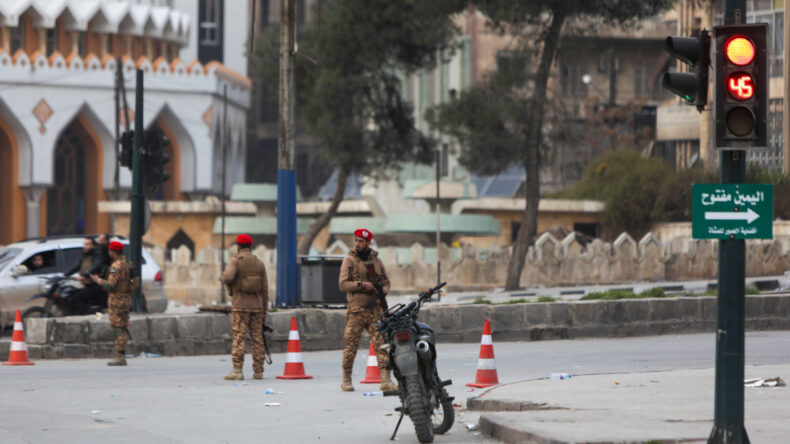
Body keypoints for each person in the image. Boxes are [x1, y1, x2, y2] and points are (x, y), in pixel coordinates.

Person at [338, 228, 397, 392]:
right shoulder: (349, 260)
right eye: (356, 240)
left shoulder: (377, 262)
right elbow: (342, 284)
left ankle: (385, 380)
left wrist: (382, 293)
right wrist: (362, 285)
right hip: (356, 310)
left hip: (375, 311)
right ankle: (346, 379)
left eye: (361, 241)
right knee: (351, 345)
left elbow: (386, 283)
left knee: (382, 344)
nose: (358, 244)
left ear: (368, 243)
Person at [221, 234, 269, 380]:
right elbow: (265, 289)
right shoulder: (259, 263)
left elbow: (227, 277)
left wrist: (227, 278)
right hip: (257, 307)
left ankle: (237, 370)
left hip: (240, 306)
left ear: (238, 246)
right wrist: (265, 309)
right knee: (257, 339)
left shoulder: (235, 261)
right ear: (251, 246)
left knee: (239, 338)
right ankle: (258, 371)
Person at [91, 241, 133, 366]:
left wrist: (98, 280)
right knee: (123, 326)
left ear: (113, 252)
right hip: (126, 299)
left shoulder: (115, 267)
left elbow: (110, 285)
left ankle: (119, 356)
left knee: (117, 328)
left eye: (110, 251)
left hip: (116, 300)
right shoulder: (128, 264)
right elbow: (134, 283)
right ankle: (121, 354)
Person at [66, 236, 108, 312]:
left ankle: (91, 315)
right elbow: (77, 266)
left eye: (87, 244)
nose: (85, 246)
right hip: (89, 285)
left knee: (78, 298)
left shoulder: (98, 254)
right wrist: (65, 274)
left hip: (97, 286)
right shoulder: (86, 254)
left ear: (93, 245)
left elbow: (96, 266)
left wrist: (84, 275)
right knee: (72, 295)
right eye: (85, 244)